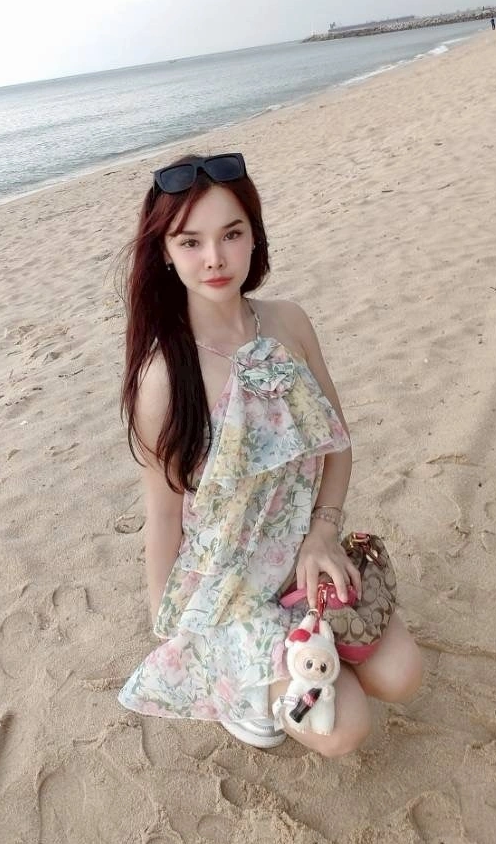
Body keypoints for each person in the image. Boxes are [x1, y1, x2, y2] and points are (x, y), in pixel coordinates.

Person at [117, 152, 423, 754]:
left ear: (254, 236)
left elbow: (338, 446)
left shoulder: (289, 322)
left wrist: (323, 533)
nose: (214, 258)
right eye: (190, 242)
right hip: (231, 586)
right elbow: (164, 512)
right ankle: (239, 687)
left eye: (231, 234)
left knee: (401, 676)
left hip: (305, 557)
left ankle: (302, 660)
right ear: (166, 253)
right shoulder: (165, 377)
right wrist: (173, 632)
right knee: (344, 730)